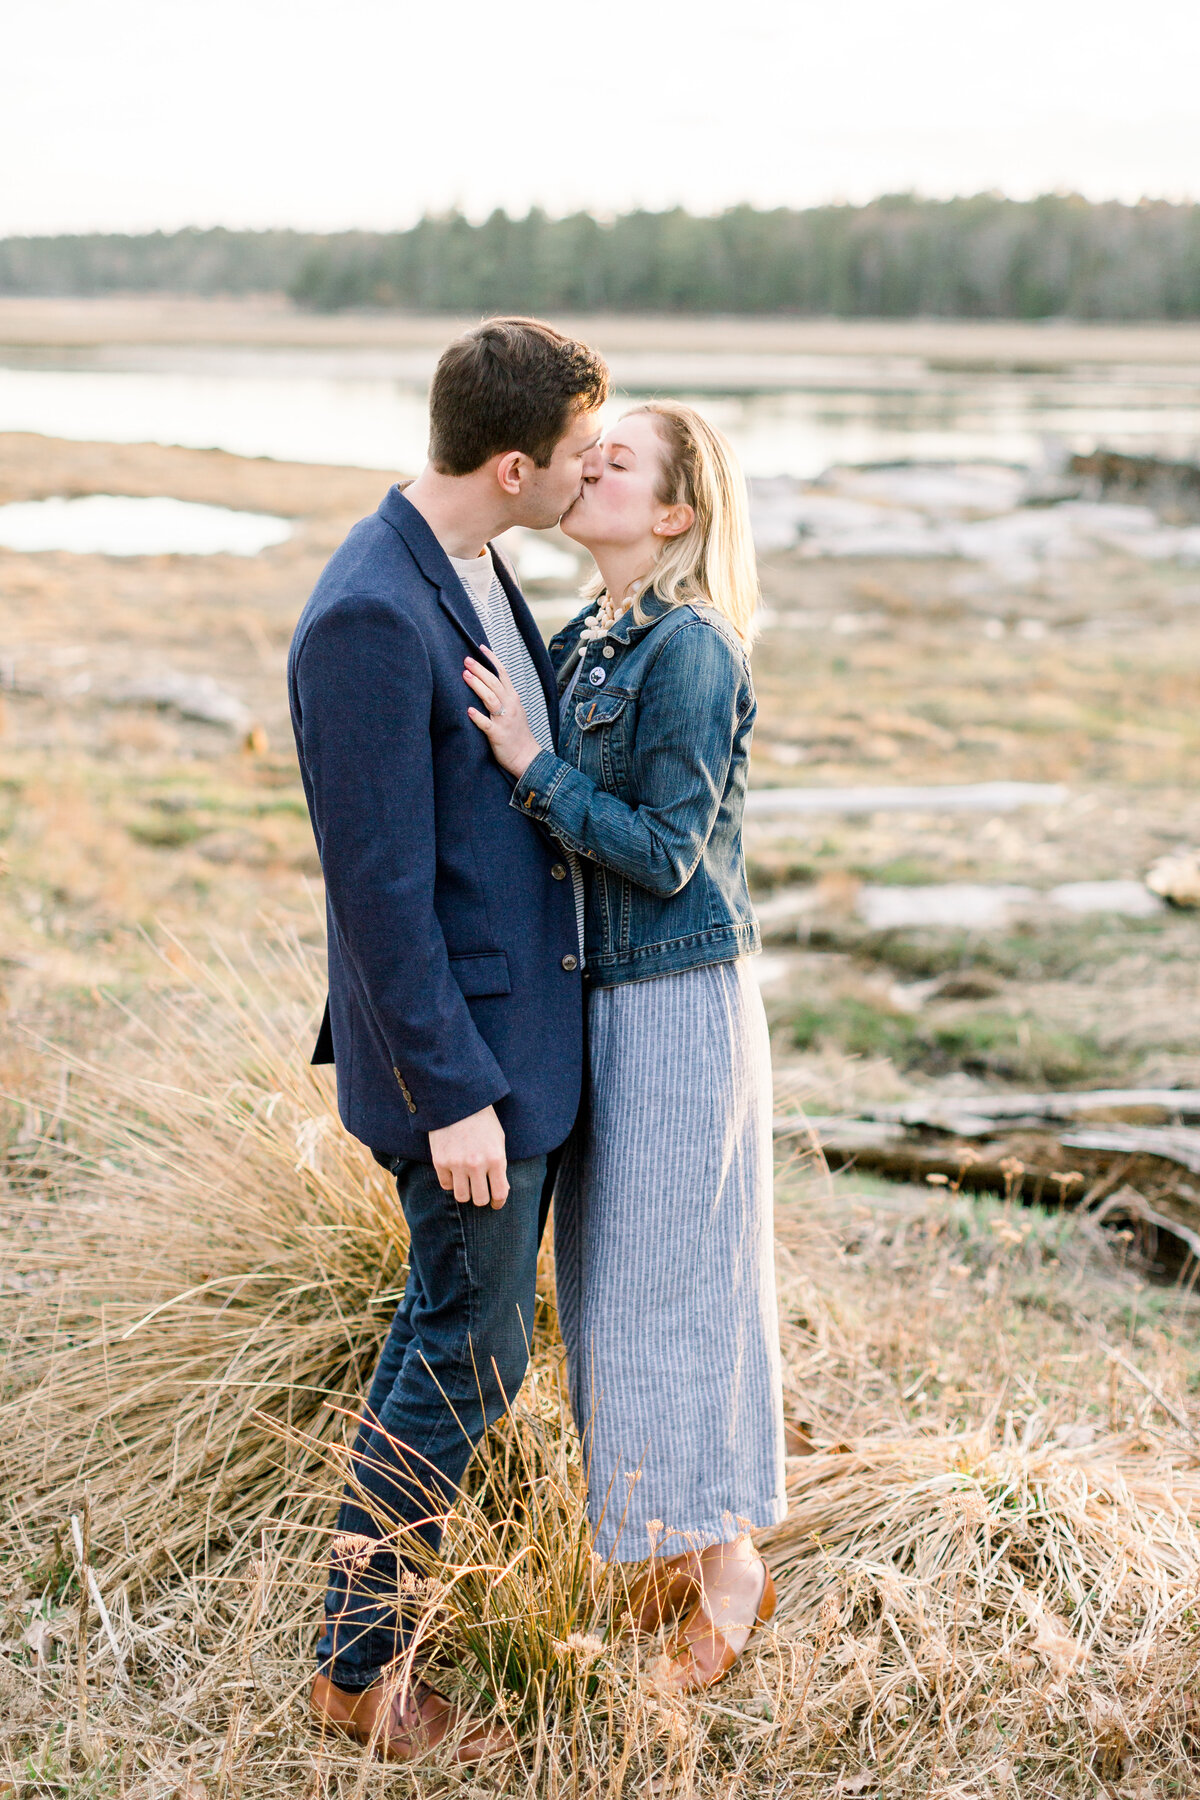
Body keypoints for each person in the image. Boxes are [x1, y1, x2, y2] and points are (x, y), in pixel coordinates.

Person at [288, 317, 608, 1762]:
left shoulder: (475, 560)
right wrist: (455, 1095)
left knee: (469, 1348)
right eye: (583, 454)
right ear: (514, 461)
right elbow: (378, 897)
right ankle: (358, 1675)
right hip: (460, 1074)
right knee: (460, 1357)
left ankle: (372, 1648)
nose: (594, 475)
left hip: (515, 1052)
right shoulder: (368, 613)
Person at [464, 399, 787, 1695]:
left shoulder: (692, 651)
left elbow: (662, 854)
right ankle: (666, 1541)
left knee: (686, 1286)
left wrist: (535, 768)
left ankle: (730, 1568)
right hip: (602, 995)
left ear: (675, 513)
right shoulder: (589, 637)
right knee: (614, 1292)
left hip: (679, 999)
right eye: (585, 457)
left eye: (617, 463)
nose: (585, 470)